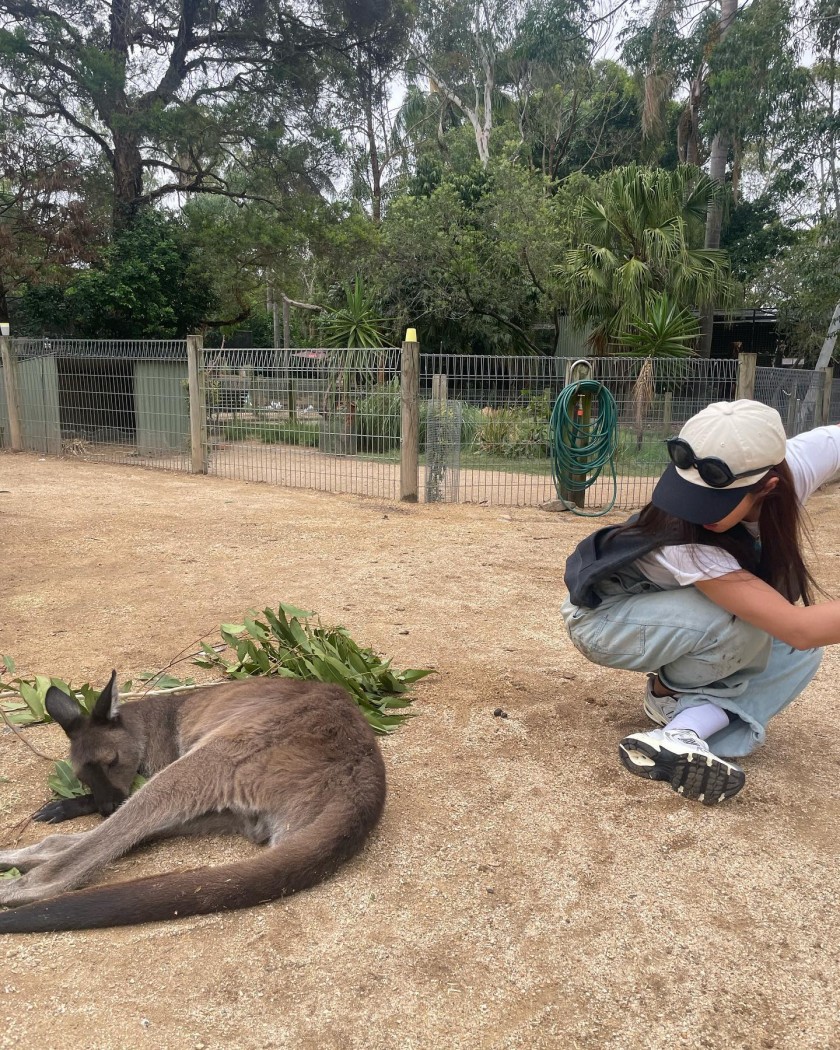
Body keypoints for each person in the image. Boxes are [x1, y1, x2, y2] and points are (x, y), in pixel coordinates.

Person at [561, 399, 840, 805]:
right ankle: (666, 692)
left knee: (796, 654)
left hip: (671, 612)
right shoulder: (690, 546)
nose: (696, 511)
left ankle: (680, 733)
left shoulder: (792, 466)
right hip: (603, 621)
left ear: (768, 485)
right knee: (749, 623)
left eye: (717, 502)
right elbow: (799, 627)